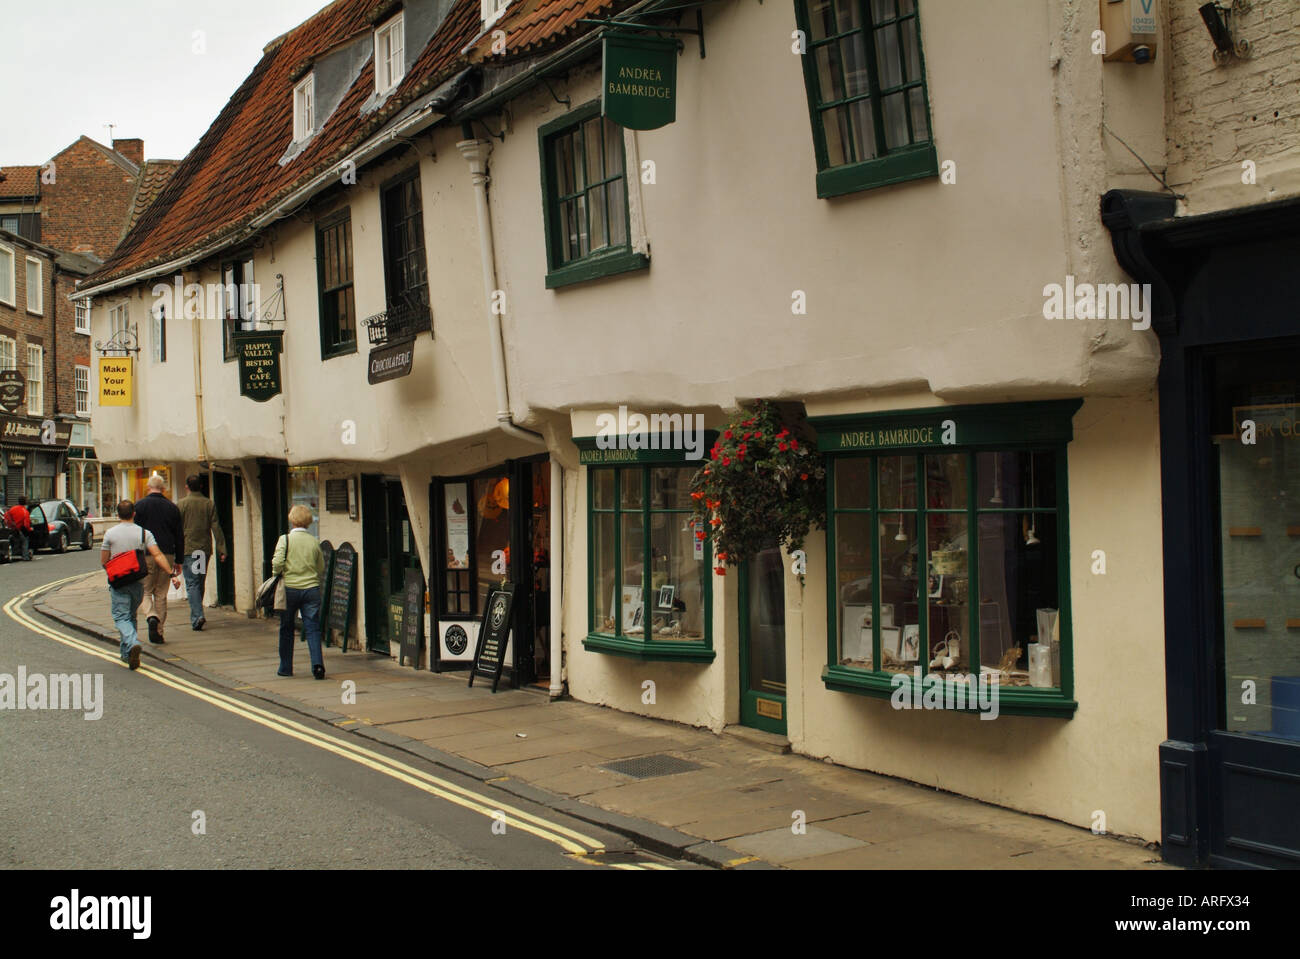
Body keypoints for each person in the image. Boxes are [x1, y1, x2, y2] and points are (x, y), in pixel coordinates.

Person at [101, 500, 176, 669]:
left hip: (119, 581)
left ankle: (132, 642)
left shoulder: (110, 534)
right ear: (134, 514)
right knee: (131, 615)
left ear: (117, 514)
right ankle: (127, 654)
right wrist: (171, 573)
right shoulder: (144, 533)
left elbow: (104, 561)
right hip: (137, 581)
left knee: (121, 617)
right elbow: (157, 555)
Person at [272, 505, 326, 679]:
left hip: (289, 589)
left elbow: (278, 563)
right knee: (312, 628)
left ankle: (285, 667)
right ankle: (317, 666)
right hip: (311, 590)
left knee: (286, 628)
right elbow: (320, 567)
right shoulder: (314, 541)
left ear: (292, 519)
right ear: (308, 521)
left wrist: (277, 574)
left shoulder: (285, 540)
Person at [133, 474, 184, 645]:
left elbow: (134, 533)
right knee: (161, 594)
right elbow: (179, 536)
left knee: (145, 591)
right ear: (163, 489)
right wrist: (179, 560)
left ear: (148, 487)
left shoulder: (139, 506)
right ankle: (159, 632)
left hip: (145, 554)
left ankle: (151, 616)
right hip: (167, 554)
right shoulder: (172, 507)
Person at [177, 475, 227, 631]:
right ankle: (198, 614)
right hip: (203, 549)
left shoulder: (181, 504)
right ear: (201, 487)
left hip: (188, 549)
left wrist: (174, 550)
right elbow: (216, 527)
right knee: (199, 582)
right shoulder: (208, 503)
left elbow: (176, 530)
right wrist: (222, 549)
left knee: (192, 583)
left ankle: (197, 616)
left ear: (187, 487)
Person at [3, 496, 34, 561]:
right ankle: (25, 556)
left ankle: (11, 554)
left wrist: (10, 525)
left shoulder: (13, 509)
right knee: (25, 542)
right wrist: (29, 529)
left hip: (12, 529)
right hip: (21, 529)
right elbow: (26, 523)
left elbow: (6, 516)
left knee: (13, 542)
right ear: (25, 502)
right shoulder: (25, 511)